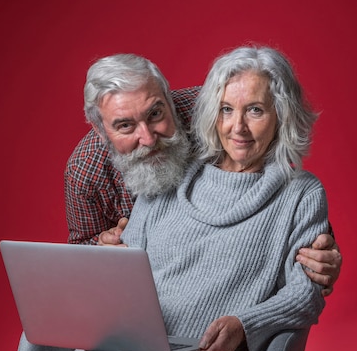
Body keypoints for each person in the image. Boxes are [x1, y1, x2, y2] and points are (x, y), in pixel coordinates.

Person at [70, 46, 332, 351]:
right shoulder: (171, 171)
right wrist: (104, 261)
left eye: (255, 110)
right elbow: (126, 267)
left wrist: (246, 325)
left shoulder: (301, 194)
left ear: (282, 113)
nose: (237, 127)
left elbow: (306, 292)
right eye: (226, 110)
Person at [65, 53, 341, 294]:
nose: (148, 138)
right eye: (125, 126)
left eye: (156, 114)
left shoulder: (217, 114)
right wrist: (100, 252)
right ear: (100, 130)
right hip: (140, 296)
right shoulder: (85, 171)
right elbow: (79, 254)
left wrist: (321, 253)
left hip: (228, 283)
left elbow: (278, 179)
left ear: (169, 100)